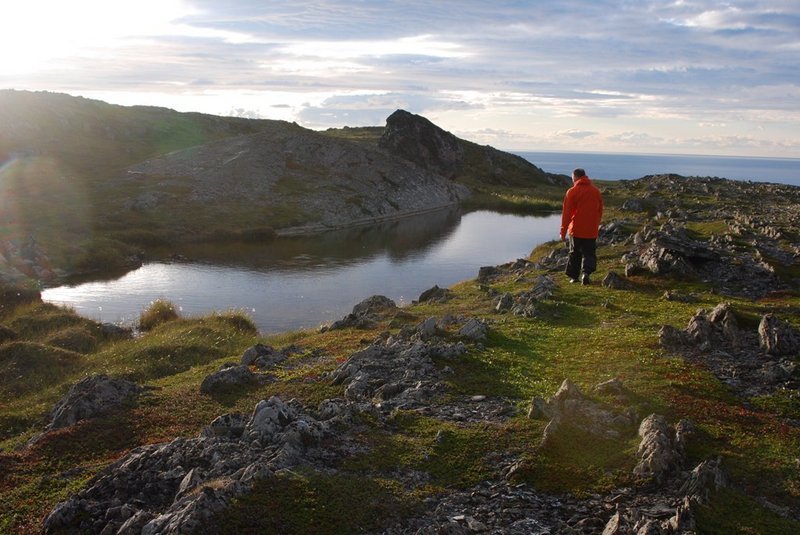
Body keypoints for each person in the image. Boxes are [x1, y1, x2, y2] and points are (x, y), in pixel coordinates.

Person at [559, 168, 604, 285]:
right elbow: (599, 211)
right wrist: (595, 223)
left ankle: (574, 277)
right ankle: (586, 273)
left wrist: (563, 231)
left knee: (575, 253)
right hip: (591, 229)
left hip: (576, 229)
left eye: (572, 178)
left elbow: (567, 214)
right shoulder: (596, 191)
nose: (572, 180)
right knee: (589, 253)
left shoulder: (572, 192)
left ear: (576, 177)